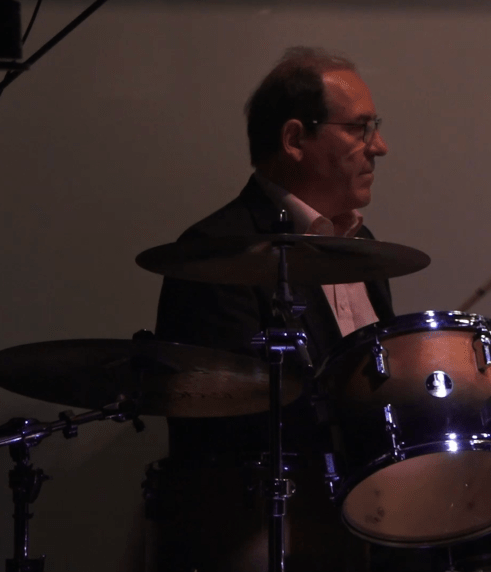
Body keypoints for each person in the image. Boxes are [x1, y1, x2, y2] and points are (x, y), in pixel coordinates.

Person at [149, 46, 394, 572]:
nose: (379, 147)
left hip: (365, 518)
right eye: (360, 128)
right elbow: (228, 431)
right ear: (294, 140)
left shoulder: (364, 247)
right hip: (269, 529)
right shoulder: (217, 253)